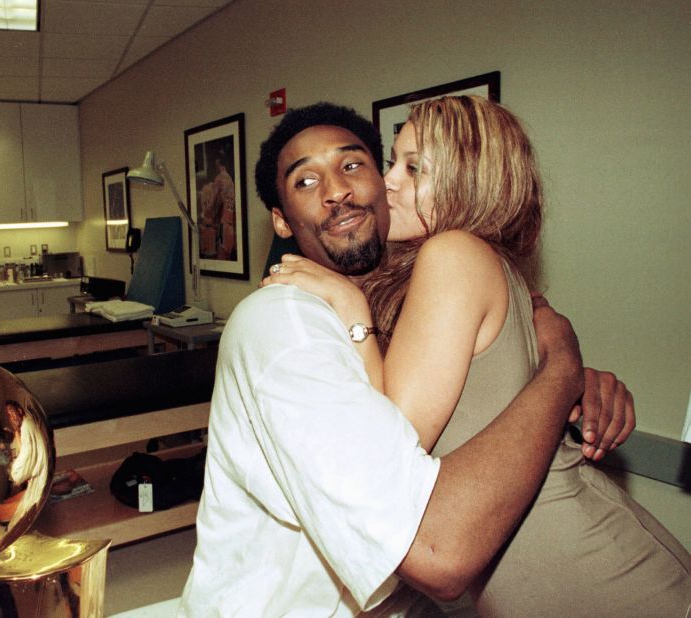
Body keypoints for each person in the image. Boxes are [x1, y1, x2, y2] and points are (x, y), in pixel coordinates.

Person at [261, 98, 691, 614]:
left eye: (414, 168)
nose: (389, 182)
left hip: (616, 585)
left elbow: (390, 443)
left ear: (469, 182)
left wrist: (351, 308)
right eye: (392, 161)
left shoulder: (454, 254)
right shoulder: (425, 271)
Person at [178, 103, 587, 616]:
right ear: (280, 222)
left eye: (356, 166)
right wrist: (563, 372)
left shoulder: (416, 282)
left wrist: (573, 369)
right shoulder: (288, 324)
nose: (338, 190)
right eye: (306, 181)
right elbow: (412, 490)